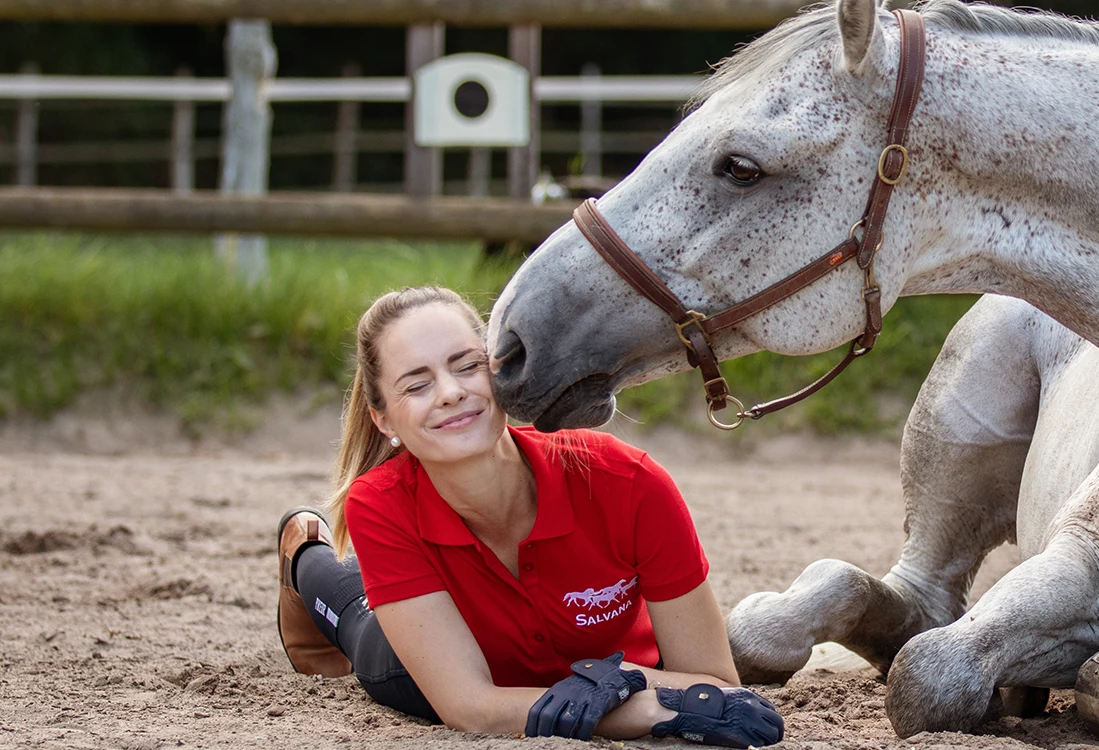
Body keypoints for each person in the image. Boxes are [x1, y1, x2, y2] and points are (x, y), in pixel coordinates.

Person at [273, 286, 783, 745]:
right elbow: (470, 706)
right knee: (361, 624)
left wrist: (615, 685)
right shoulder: (378, 501)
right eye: (417, 384)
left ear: (500, 372)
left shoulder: (628, 482)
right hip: (444, 671)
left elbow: (715, 684)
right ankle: (302, 552)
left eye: (466, 365)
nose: (450, 392)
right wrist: (645, 709)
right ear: (384, 419)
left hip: (608, 681)